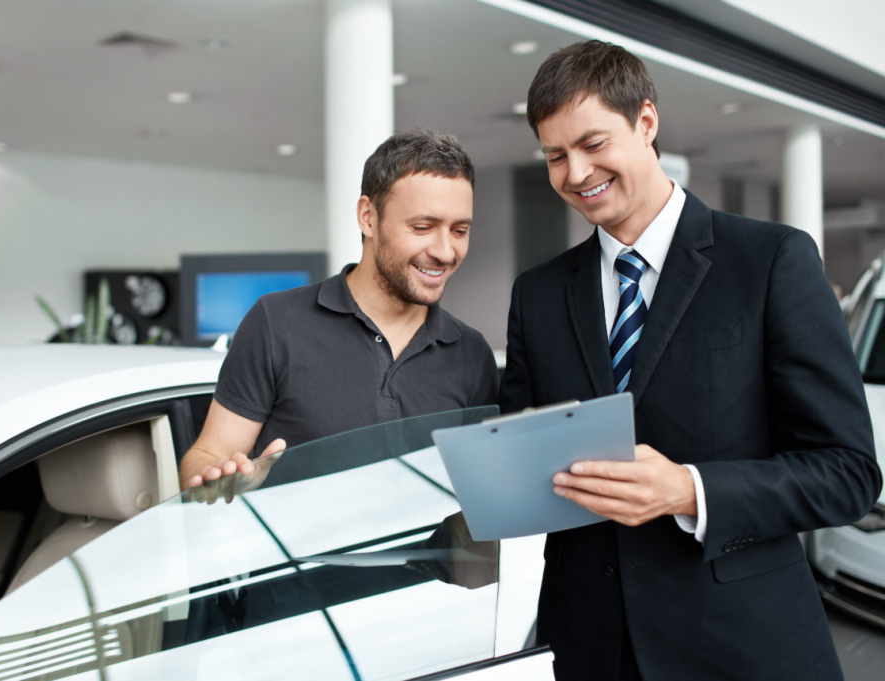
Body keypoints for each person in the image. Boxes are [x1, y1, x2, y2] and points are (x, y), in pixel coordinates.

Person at [499, 41, 882, 681]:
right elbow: (521, 457)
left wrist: (689, 490)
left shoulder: (772, 261)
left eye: (593, 144)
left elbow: (847, 473)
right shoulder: (537, 294)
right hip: (590, 646)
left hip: (741, 646)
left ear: (646, 122)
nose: (576, 172)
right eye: (555, 156)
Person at [180, 129, 498, 500]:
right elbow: (206, 456)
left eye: (459, 230)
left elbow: (479, 493)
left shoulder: (472, 354)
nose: (445, 251)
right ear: (368, 217)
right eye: (422, 227)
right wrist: (219, 480)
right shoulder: (276, 323)